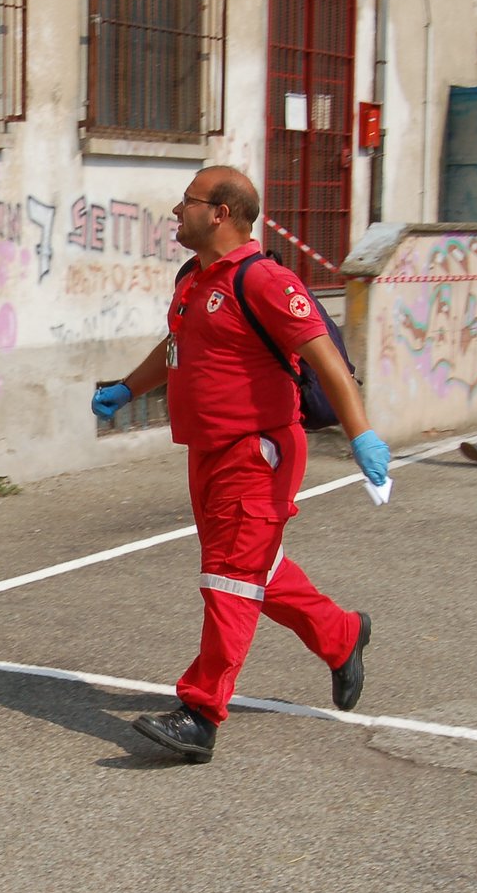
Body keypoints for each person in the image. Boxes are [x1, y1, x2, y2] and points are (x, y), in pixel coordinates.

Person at [91, 166, 391, 764]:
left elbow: (327, 361)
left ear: (221, 213)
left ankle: (200, 712)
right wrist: (129, 388)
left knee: (228, 576)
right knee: (256, 569)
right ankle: (341, 635)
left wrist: (364, 437)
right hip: (206, 451)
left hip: (258, 453)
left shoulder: (265, 281)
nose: (176, 212)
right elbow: (176, 348)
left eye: (187, 202)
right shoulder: (194, 279)